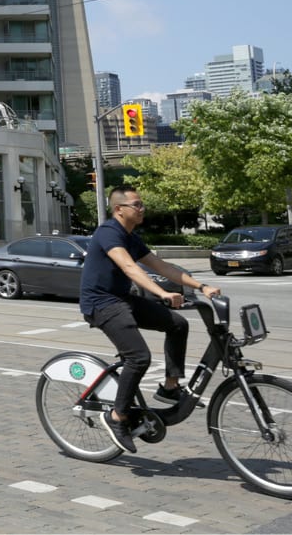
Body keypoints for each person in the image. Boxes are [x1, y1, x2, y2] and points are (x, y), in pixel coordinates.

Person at [80, 184, 220, 454]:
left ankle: (169, 387)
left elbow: (162, 266)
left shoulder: (132, 236)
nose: (142, 209)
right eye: (137, 205)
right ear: (119, 210)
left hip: (122, 299)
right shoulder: (109, 232)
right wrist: (162, 293)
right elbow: (129, 267)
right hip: (101, 303)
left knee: (178, 324)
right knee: (139, 357)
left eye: (142, 204)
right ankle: (117, 417)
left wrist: (202, 287)